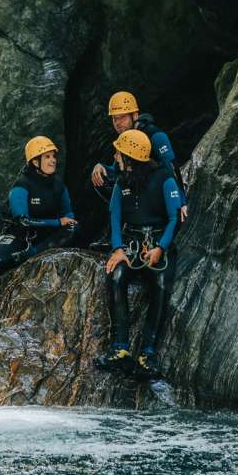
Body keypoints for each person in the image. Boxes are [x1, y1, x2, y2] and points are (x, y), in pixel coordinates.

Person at [0, 136, 78, 327]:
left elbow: (69, 216)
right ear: (35, 162)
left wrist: (65, 222)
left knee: (73, 228)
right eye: (47, 157)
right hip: (18, 234)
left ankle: (31, 254)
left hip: (41, 239)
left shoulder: (59, 186)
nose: (53, 160)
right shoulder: (21, 186)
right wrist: (57, 222)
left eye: (53, 156)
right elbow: (23, 221)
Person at [95, 128, 182, 377]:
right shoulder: (121, 182)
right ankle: (120, 348)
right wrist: (118, 249)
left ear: (130, 157)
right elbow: (114, 216)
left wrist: (160, 248)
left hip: (157, 240)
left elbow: (175, 217)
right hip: (132, 242)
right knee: (116, 276)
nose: (115, 156)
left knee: (161, 285)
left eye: (119, 153)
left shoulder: (164, 178)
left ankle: (148, 354)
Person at [90, 90, 188, 223]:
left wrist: (181, 202)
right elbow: (117, 172)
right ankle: (128, 221)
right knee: (100, 178)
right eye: (114, 119)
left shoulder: (155, 135)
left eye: (123, 117)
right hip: (140, 192)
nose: (118, 123)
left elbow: (171, 167)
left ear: (135, 115)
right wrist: (101, 167)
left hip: (158, 190)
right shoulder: (125, 138)